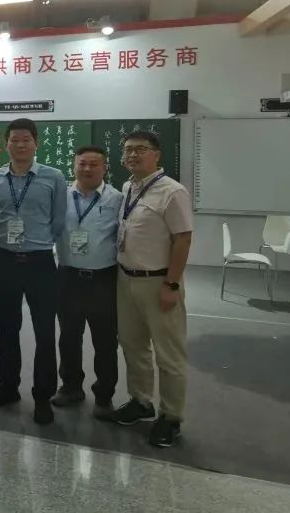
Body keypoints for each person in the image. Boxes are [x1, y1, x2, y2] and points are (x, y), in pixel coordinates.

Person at [110, 130, 193, 448]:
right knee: (133, 346)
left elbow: (183, 240)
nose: (132, 154)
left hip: (159, 281)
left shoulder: (172, 191)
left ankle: (171, 417)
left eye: (140, 149)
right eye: (128, 149)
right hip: (125, 279)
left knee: (169, 353)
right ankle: (140, 401)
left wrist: (172, 284)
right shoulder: (128, 187)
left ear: (156, 155)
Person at [0, 118, 66, 425]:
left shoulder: (53, 177)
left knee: (44, 333)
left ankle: (43, 397)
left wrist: (37, 242)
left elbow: (59, 220)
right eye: (14, 140)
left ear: (36, 143)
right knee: (7, 330)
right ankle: (8, 388)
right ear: (6, 144)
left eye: (26, 140)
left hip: (40, 263)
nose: (20, 145)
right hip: (5, 261)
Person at [53, 146, 123, 418]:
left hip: (103, 280)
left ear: (105, 168)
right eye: (82, 163)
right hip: (68, 277)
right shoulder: (60, 196)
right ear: (74, 166)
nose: (87, 169)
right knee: (69, 337)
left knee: (105, 341)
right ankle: (71, 387)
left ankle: (104, 396)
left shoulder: (117, 198)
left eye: (94, 164)